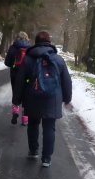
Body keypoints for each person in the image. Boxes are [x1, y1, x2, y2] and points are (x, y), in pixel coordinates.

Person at [12, 30, 72, 167]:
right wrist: (67, 98)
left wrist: (17, 99)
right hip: (53, 98)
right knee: (49, 127)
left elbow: (20, 81)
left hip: (32, 96)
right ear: (49, 42)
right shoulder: (58, 59)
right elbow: (67, 81)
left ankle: (33, 151)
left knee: (33, 124)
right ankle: (46, 159)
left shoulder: (28, 59)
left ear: (35, 42)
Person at [4, 31, 31, 125]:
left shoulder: (13, 47)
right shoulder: (30, 48)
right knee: (26, 95)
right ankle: (25, 119)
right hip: (27, 75)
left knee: (16, 92)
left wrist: (13, 64)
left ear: (17, 38)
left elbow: (7, 63)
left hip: (15, 74)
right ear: (27, 38)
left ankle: (15, 112)